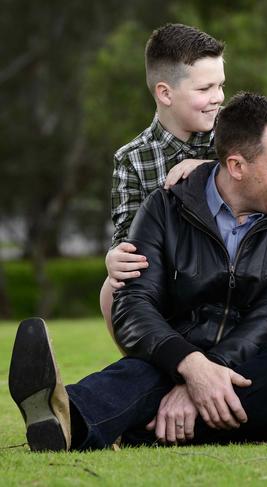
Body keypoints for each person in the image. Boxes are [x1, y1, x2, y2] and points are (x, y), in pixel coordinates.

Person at [8, 92, 267, 451]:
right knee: (140, 373)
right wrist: (190, 367)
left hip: (255, 374)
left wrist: (203, 380)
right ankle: (63, 422)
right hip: (173, 360)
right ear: (237, 166)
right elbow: (133, 304)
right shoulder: (164, 207)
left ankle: (134, 431)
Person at [100, 23, 226, 339]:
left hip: (235, 271)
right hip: (172, 276)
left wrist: (208, 168)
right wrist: (115, 255)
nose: (218, 98)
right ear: (165, 92)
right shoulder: (132, 158)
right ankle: (148, 369)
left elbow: (266, 178)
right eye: (205, 89)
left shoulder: (236, 134)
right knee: (110, 287)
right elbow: (127, 230)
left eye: (220, 85)